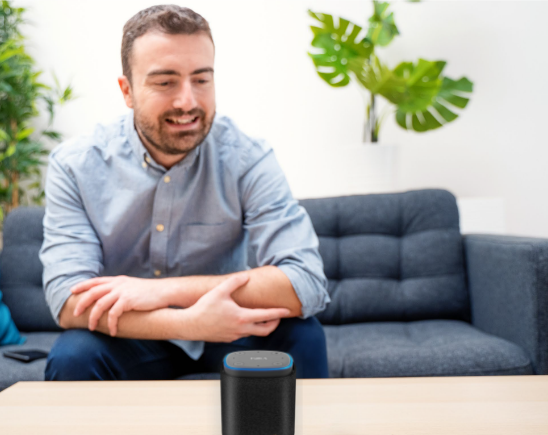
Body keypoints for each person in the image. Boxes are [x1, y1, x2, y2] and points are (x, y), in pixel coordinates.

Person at [41, 4, 331, 381]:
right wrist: (188, 323)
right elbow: (68, 301)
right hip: (136, 332)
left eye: (201, 79)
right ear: (127, 91)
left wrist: (163, 292)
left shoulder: (248, 158)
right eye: (165, 82)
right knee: (74, 355)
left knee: (302, 336)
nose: (188, 101)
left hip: (230, 325)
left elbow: (306, 283)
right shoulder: (75, 164)